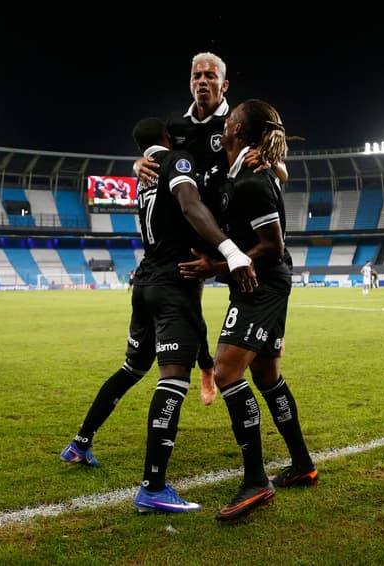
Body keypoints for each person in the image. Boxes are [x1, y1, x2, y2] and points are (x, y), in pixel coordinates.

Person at [61, 117, 257, 516]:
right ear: (168, 138)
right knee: (173, 380)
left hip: (145, 282)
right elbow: (189, 204)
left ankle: (80, 444)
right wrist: (231, 250)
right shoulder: (176, 161)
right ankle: (153, 487)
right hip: (172, 282)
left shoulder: (144, 175)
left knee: (131, 369)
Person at [179, 99, 318, 523]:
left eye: (231, 118)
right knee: (266, 375)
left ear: (238, 130)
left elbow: (272, 246)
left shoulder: (253, 181)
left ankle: (257, 480)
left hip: (262, 284)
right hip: (263, 282)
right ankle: (302, 463)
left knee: (225, 373)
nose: (225, 121)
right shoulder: (238, 172)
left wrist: (216, 267)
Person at [135, 52, 290, 408]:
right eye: (197, 75)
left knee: (258, 279)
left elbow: (279, 168)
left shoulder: (240, 123)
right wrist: (138, 163)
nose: (202, 81)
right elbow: (158, 156)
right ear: (190, 82)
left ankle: (267, 340)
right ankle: (206, 365)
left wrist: (274, 163)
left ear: (224, 84)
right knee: (188, 304)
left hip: (232, 225)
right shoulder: (176, 126)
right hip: (193, 226)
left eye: (210, 75)